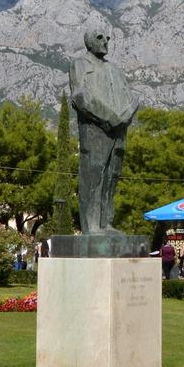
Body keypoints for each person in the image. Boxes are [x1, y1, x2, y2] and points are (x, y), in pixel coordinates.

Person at [69, 30, 140, 234]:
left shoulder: (115, 70)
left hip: (119, 132)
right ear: (88, 41)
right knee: (94, 177)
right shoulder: (80, 64)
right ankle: (90, 225)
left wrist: (126, 115)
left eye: (107, 38)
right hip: (95, 131)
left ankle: (105, 222)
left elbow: (130, 98)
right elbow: (80, 97)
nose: (105, 42)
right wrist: (109, 117)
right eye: (100, 38)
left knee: (111, 177)